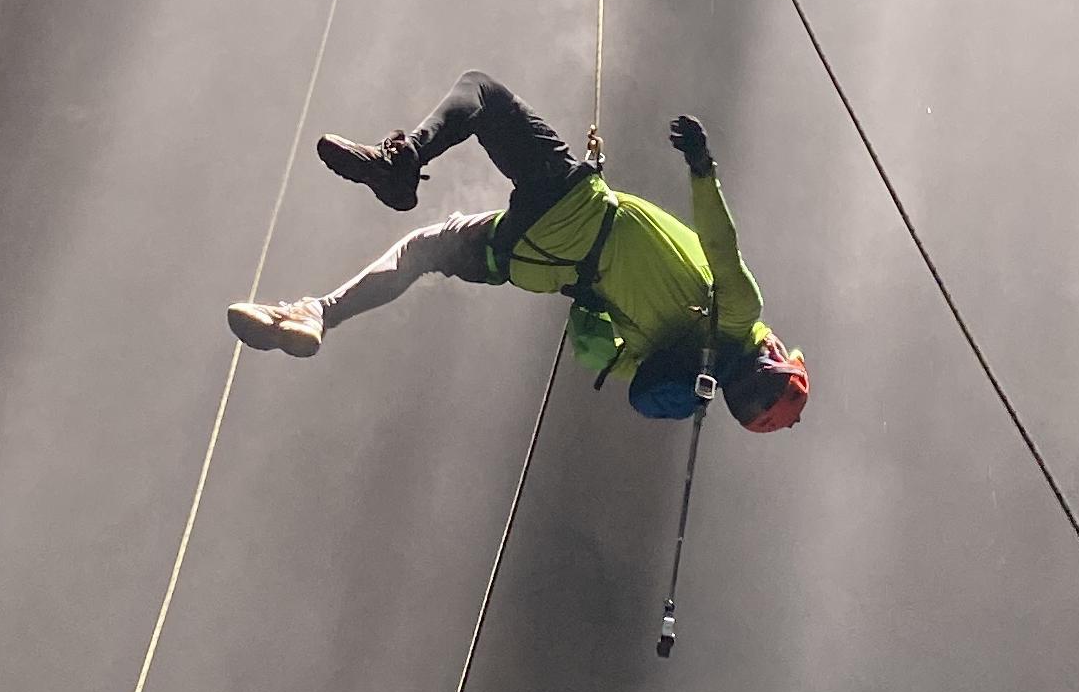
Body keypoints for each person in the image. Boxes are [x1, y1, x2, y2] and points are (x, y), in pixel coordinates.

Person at [228, 69, 810, 431]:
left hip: (577, 208)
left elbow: (719, 242)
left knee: (480, 91)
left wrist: (702, 167)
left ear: (775, 355)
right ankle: (315, 313)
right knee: (425, 249)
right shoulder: (666, 371)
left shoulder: (740, 311)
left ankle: (400, 162)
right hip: (536, 264)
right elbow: (589, 345)